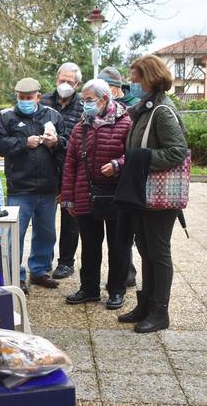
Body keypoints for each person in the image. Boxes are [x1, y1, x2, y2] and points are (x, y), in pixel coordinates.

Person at [116, 55, 188, 333]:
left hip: (160, 197)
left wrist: (141, 159)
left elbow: (176, 151)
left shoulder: (162, 111)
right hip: (143, 193)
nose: (131, 84)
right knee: (145, 249)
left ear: (150, 78)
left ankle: (161, 312)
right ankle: (145, 305)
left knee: (158, 252)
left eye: (135, 79)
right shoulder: (145, 108)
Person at [0, 77, 68, 291]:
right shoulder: (6, 117)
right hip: (20, 187)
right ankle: (17, 275)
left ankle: (40, 271)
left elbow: (68, 145)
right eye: (21, 98)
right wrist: (23, 143)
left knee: (46, 233)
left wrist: (56, 142)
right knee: (16, 235)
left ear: (38, 97)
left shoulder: (53, 115)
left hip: (48, 187)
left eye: (28, 98)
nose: (24, 101)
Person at [61, 79, 131, 309]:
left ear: (104, 99)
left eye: (89, 100)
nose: (85, 105)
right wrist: (68, 197)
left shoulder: (126, 122)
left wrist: (118, 165)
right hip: (86, 193)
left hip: (116, 196)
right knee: (89, 246)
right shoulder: (81, 126)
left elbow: (134, 155)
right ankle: (89, 288)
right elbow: (70, 162)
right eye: (83, 101)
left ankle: (116, 291)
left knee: (118, 246)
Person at [40, 62, 83, 281]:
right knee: (44, 220)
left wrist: (59, 143)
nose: (64, 84)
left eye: (69, 82)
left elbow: (83, 140)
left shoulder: (84, 105)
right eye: (61, 80)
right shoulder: (44, 102)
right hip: (44, 170)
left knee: (70, 219)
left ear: (77, 84)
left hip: (70, 171)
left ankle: (66, 262)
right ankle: (42, 262)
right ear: (56, 80)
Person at [99, 66, 139, 287]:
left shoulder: (133, 107)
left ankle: (126, 275)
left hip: (126, 174)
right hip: (109, 177)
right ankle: (124, 274)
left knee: (124, 234)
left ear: (113, 89)